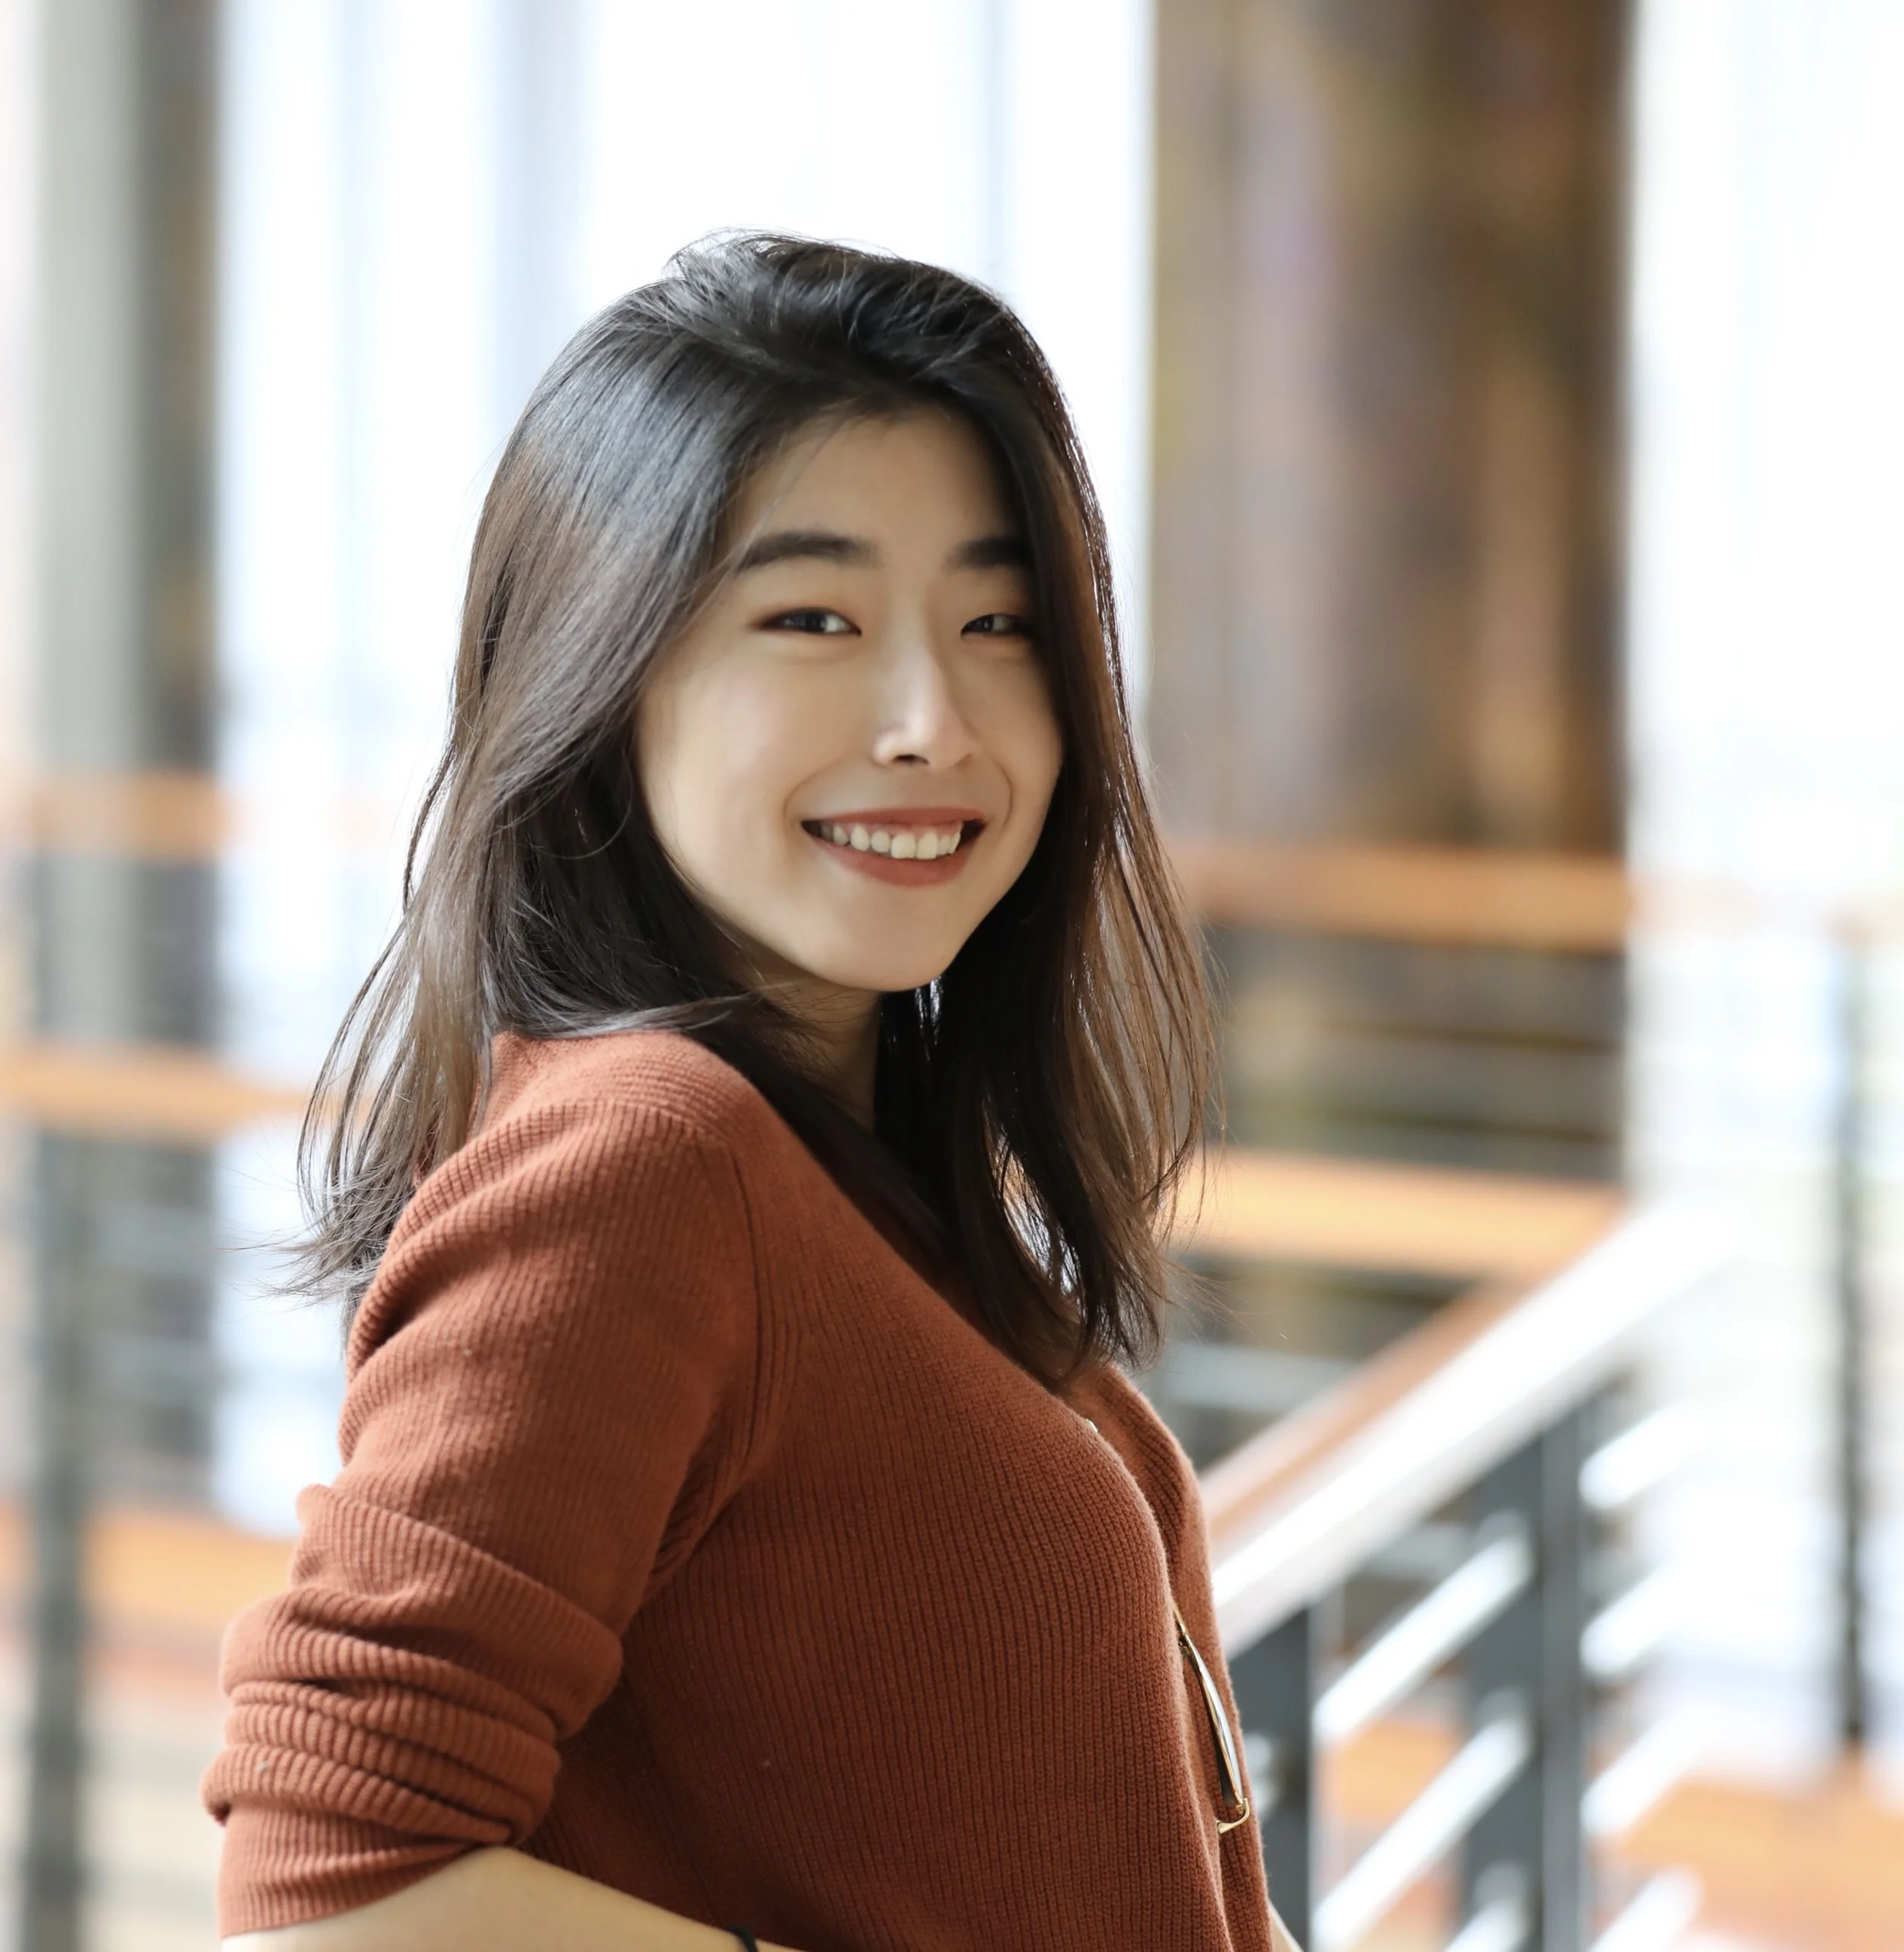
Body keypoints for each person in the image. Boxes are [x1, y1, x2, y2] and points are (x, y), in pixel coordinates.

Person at [204, 234, 1289, 1952]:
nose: (933, 717)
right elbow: (328, 1893)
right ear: (599, 674)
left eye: (998, 620)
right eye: (813, 618)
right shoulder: (645, 1169)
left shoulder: (851, 1173)